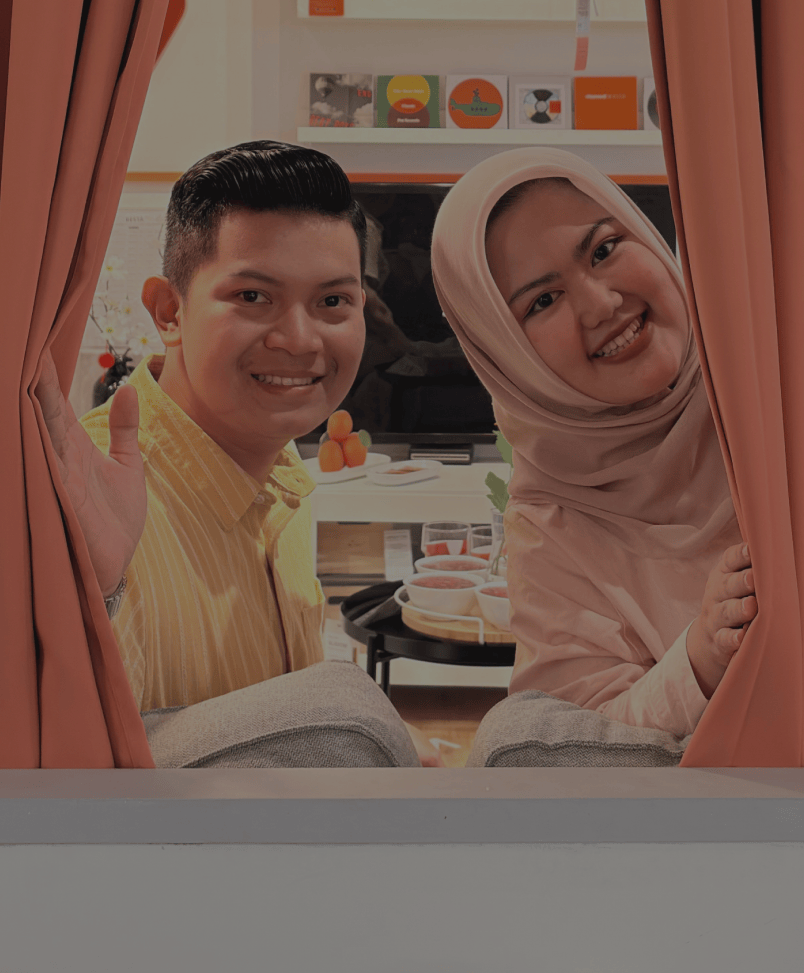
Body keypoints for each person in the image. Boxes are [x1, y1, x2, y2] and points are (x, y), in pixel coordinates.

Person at [35, 140, 438, 763]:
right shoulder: (86, 495)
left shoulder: (281, 471)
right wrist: (92, 596)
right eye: (253, 297)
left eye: (333, 301)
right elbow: (69, 766)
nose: (299, 339)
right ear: (169, 311)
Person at [430, 147, 757, 739]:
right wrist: (700, 661)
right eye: (543, 301)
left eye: (604, 250)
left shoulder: (768, 379)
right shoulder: (552, 526)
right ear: (507, 356)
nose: (602, 305)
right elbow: (575, 736)